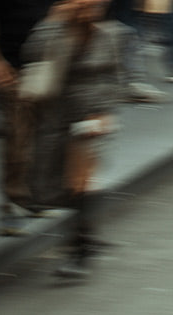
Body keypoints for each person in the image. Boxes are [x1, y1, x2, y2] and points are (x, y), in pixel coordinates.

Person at [22, 0, 126, 280]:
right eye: (85, 5)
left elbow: (115, 78)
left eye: (96, 5)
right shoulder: (55, 32)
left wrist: (105, 113)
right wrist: (52, 21)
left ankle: (79, 248)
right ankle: (86, 235)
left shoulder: (111, 34)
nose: (91, 10)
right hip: (57, 117)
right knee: (55, 184)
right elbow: (32, 54)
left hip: (92, 118)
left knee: (80, 181)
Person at [0, 0, 54, 235]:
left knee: (44, 134)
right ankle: (12, 201)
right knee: (18, 135)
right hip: (14, 70)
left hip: (52, 67)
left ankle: (32, 194)